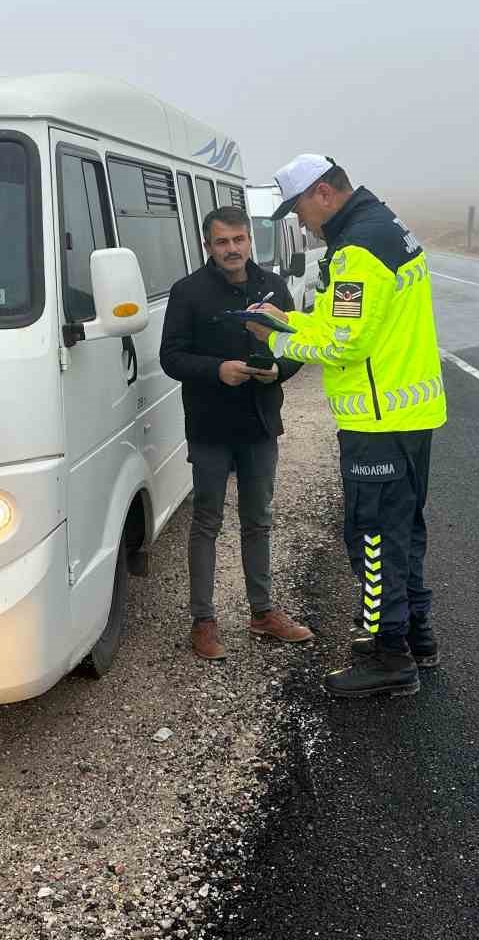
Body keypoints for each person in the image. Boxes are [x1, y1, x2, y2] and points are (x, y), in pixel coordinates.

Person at [246, 155, 447, 699]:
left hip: (378, 419)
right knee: (405, 529)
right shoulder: (386, 229)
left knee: (373, 538)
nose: (301, 223)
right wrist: (290, 320)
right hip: (409, 412)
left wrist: (277, 342)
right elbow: (345, 321)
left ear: (323, 194)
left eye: (299, 210)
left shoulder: (357, 250)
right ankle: (415, 634)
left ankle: (389, 656)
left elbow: (345, 343)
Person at [160, 204, 313, 661]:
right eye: (222, 241)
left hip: (260, 422)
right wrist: (217, 369)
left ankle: (262, 612)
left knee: (258, 520)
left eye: (239, 240)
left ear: (250, 241)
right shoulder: (187, 292)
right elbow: (171, 357)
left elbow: (295, 347)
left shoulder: (273, 287)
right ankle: (203, 622)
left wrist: (278, 373)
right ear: (208, 246)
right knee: (207, 522)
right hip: (210, 425)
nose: (232, 249)